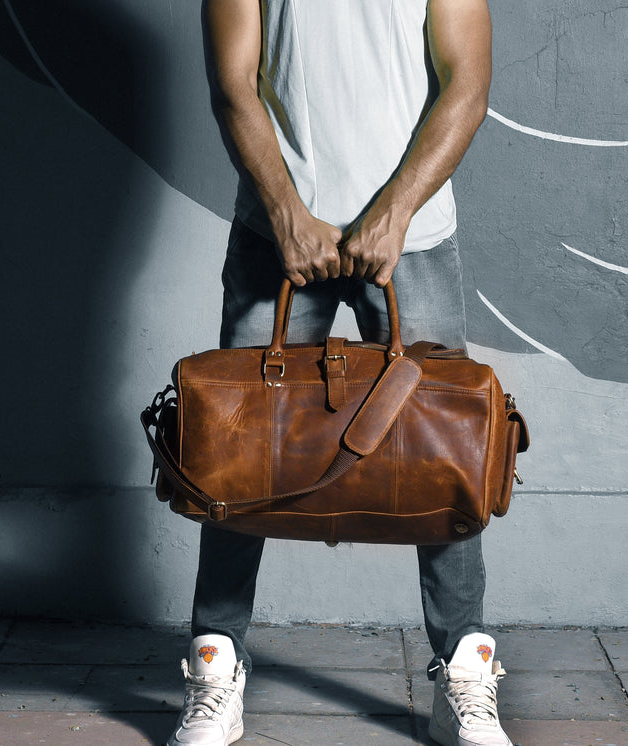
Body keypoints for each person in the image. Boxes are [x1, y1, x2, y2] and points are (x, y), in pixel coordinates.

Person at [167, 1, 512, 745]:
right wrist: (288, 213)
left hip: (412, 235)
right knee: (235, 454)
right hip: (279, 229)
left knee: (445, 454)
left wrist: (394, 212)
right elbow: (234, 81)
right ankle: (216, 663)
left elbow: (467, 84)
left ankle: (464, 669)